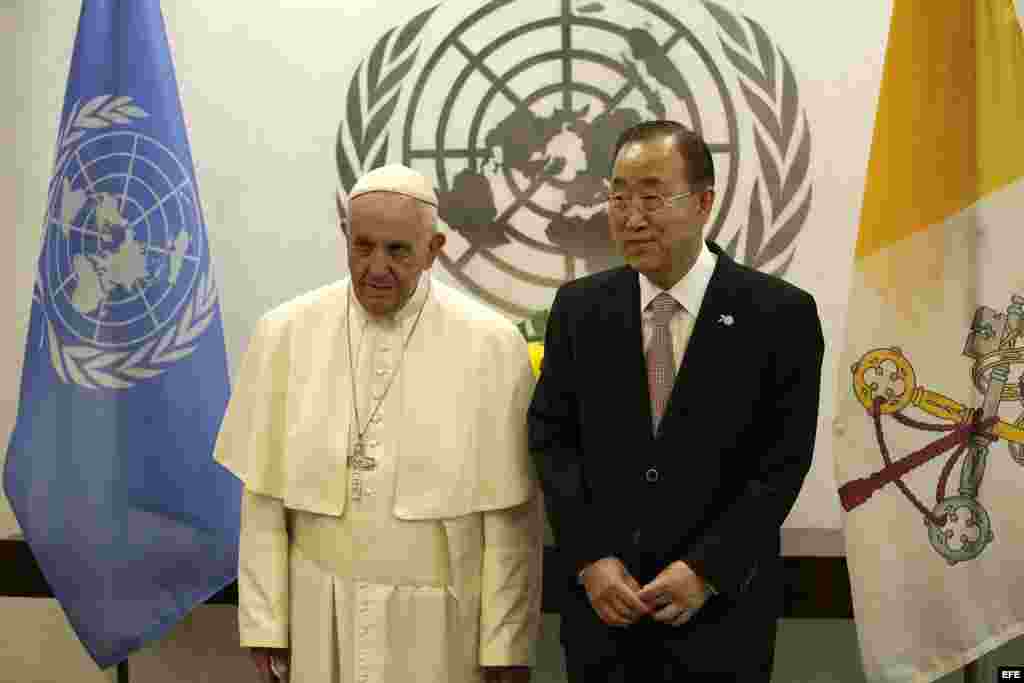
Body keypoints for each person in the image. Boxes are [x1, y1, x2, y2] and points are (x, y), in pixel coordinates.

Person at [214, 164, 542, 683]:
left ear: (435, 248)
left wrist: (505, 645)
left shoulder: (491, 344)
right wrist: (264, 623)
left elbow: (509, 521)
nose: (376, 268)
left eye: (398, 250)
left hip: (439, 627)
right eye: (362, 247)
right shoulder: (284, 333)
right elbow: (263, 502)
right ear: (345, 235)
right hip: (317, 613)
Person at [528, 120, 823, 681]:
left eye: (653, 197)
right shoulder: (579, 310)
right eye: (619, 196)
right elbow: (552, 439)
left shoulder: (778, 315)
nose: (631, 217)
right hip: (604, 618)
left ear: (704, 201)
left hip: (720, 620)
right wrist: (590, 558)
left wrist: (705, 570)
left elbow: (781, 463)